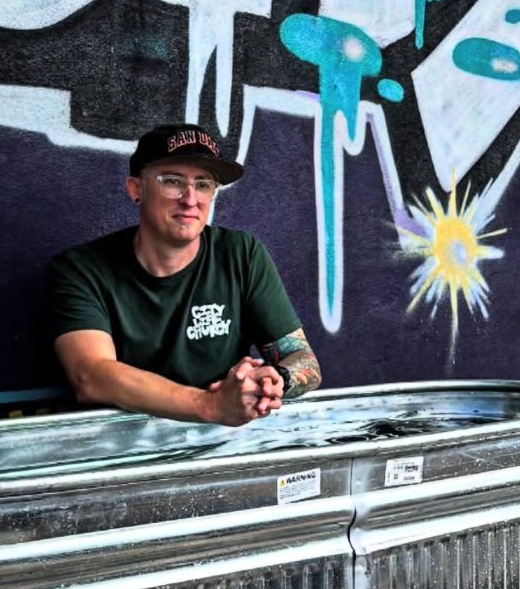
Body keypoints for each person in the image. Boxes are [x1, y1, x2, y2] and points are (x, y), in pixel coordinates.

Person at [47, 123, 321, 426]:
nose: (190, 199)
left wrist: (273, 381)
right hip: (122, 450)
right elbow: (92, 376)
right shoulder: (82, 269)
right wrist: (210, 405)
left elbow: (304, 359)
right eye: (173, 181)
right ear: (136, 189)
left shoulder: (241, 253)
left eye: (203, 184)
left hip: (221, 445)